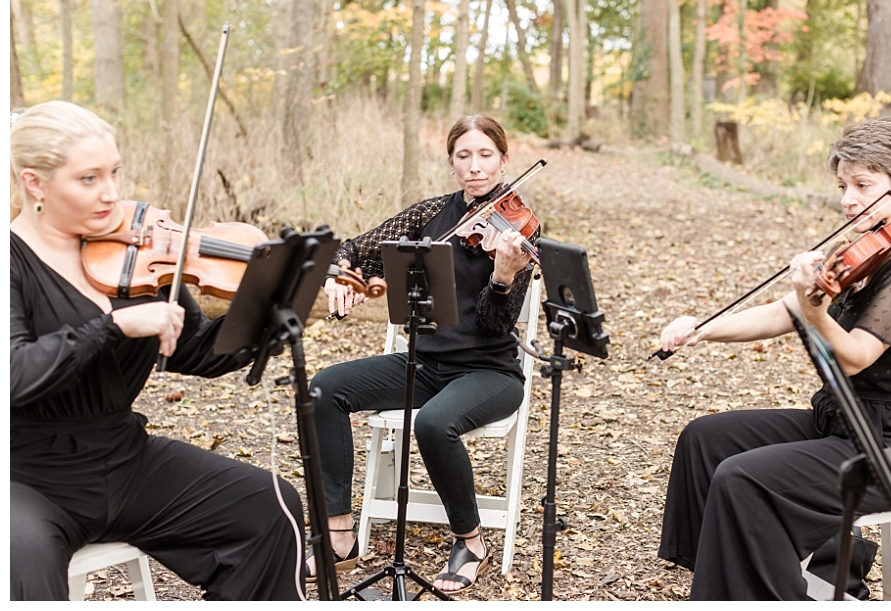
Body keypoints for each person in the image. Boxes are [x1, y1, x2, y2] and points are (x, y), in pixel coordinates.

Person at [655, 118, 891, 600]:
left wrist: (815, 309)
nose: (848, 199)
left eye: (864, 185)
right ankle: (724, 586)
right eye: (844, 185)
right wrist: (704, 328)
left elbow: (856, 356)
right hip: (844, 423)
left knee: (744, 478)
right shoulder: (866, 250)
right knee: (705, 440)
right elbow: (785, 311)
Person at [9, 101, 306, 601]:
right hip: (27, 475)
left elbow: (196, 350)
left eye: (114, 173)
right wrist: (113, 326)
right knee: (20, 559)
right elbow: (14, 373)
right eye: (88, 179)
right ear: (35, 184)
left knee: (269, 508)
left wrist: (263, 309)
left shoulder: (134, 252)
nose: (111, 194)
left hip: (124, 457)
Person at [309, 114, 535, 594]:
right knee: (324, 389)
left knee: (433, 423)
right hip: (425, 363)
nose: (475, 167)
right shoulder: (430, 214)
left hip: (489, 371)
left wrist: (502, 276)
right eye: (464, 156)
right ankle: (339, 533)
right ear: (452, 163)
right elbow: (353, 249)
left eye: (485, 155)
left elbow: (496, 324)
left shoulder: (519, 233)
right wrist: (339, 276)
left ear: (504, 160)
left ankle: (470, 540)